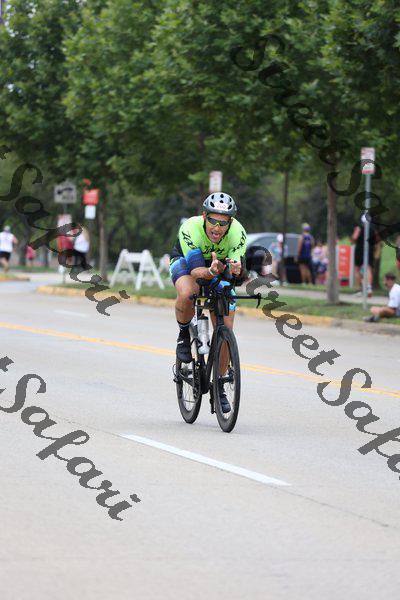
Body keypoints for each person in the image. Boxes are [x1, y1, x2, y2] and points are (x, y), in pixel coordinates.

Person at [169, 192, 246, 413]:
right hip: (187, 262)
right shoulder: (190, 228)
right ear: (204, 217)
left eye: (223, 223)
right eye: (213, 220)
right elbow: (196, 272)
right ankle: (184, 335)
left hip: (218, 266)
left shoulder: (238, 233)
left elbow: (237, 271)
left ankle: (219, 384)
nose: (217, 227)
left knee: (226, 326)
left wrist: (237, 270)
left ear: (230, 222)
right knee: (189, 292)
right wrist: (211, 272)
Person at [352, 215, 378, 297]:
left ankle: (358, 289)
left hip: (359, 250)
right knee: (369, 268)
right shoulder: (372, 230)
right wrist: (375, 251)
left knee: (357, 269)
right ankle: (369, 287)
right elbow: (376, 242)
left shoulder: (359, 229)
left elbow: (354, 238)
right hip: (369, 250)